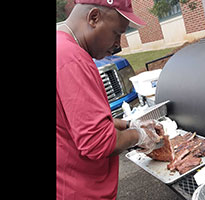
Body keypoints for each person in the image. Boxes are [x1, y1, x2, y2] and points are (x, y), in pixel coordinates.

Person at [56, 1, 163, 199]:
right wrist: (138, 135)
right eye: (117, 33)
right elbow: (98, 141)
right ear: (94, 17)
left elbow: (78, 121)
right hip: (80, 192)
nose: (118, 45)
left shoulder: (61, 47)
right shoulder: (72, 59)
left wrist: (129, 123)